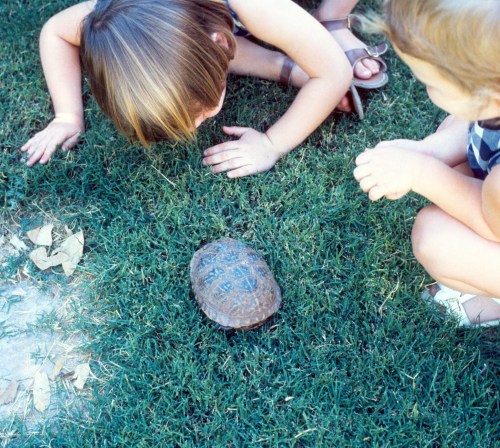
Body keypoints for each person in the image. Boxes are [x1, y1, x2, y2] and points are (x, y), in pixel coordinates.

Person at [21, 0, 356, 178]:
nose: (195, 126)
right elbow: (56, 31)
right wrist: (66, 115)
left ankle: (330, 18)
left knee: (321, 34)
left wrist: (271, 143)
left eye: (199, 112)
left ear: (221, 42)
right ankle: (283, 63)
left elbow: (336, 73)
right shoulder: (111, 19)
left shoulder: (257, 5)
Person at [353, 0, 500, 327]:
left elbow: (492, 224)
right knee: (456, 121)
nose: (423, 88)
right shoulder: (491, 99)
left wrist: (420, 171)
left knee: (434, 237)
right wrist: (428, 150)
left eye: (431, 83)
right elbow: (470, 123)